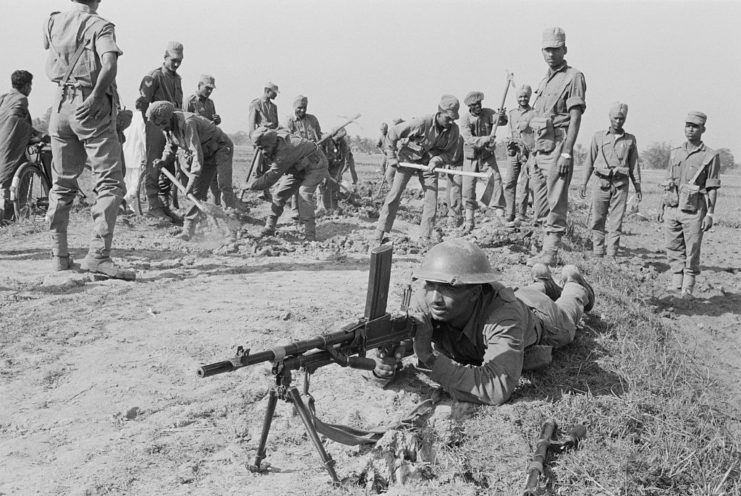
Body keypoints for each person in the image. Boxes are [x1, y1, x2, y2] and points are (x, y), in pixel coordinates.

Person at [373, 239, 594, 406]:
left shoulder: (504, 317)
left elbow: (497, 387)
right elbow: (414, 335)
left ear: (474, 292)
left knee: (566, 324)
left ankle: (574, 286)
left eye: (448, 288)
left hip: (541, 317)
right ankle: (544, 283)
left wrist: (429, 358)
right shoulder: (429, 297)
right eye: (431, 285)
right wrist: (389, 359)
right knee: (525, 294)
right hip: (517, 297)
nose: (434, 298)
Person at [43, 0, 134, 280]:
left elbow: (50, 52)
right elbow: (109, 64)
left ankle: (60, 256)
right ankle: (98, 256)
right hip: (89, 104)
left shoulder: (52, 21)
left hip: (59, 104)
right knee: (108, 182)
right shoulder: (100, 25)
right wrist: (96, 96)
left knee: (61, 183)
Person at [526, 27, 587, 266]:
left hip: (558, 146)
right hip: (539, 148)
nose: (551, 54)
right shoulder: (544, 80)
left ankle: (550, 252)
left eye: (556, 49)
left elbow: (575, 117)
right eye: (547, 49)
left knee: (556, 200)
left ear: (565, 49)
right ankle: (541, 247)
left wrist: (566, 152)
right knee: (539, 200)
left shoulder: (574, 77)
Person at [374, 96, 461, 246]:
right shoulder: (422, 122)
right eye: (448, 118)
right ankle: (379, 234)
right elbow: (393, 134)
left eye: (453, 118)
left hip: (429, 164)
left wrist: (437, 160)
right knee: (394, 195)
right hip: (407, 160)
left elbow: (449, 153)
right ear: (439, 113)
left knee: (431, 199)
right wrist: (391, 156)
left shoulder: (453, 130)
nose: (450, 122)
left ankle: (424, 238)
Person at [146, 101, 235, 242]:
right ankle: (188, 230)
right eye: (158, 125)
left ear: (168, 117)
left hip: (220, 148)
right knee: (196, 193)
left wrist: (193, 179)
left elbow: (195, 152)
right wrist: (163, 160)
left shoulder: (188, 123)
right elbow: (171, 145)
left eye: (162, 124)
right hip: (205, 154)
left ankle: (233, 227)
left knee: (223, 186)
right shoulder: (167, 126)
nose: (161, 127)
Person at [657, 111, 721, 297]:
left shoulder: (710, 156)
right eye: (687, 125)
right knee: (673, 246)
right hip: (673, 207)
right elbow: (668, 180)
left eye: (694, 126)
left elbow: (712, 187)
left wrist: (710, 214)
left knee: (692, 248)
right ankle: (676, 282)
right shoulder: (675, 153)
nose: (690, 129)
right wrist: (661, 206)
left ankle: (688, 286)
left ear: (703, 129)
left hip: (694, 210)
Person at [579, 102, 641, 259]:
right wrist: (583, 183)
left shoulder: (630, 140)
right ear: (610, 118)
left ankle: (612, 254)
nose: (618, 121)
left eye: (622, 118)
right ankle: (598, 251)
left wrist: (638, 187)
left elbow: (634, 165)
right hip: (601, 183)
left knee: (616, 222)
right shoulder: (598, 137)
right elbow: (589, 161)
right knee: (598, 219)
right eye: (616, 118)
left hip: (620, 185)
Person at [246, 126, 328, 241]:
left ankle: (310, 235)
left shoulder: (284, 152)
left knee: (304, 195)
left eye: (266, 147)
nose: (263, 152)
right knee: (279, 194)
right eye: (260, 148)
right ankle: (269, 227)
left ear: (273, 143)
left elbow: (271, 177)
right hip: (297, 166)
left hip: (315, 166)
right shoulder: (275, 138)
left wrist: (251, 186)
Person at [136, 41, 185, 223]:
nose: (176, 64)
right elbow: (142, 103)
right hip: (156, 126)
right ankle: (153, 205)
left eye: (179, 60)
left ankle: (165, 204)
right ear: (165, 57)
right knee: (154, 163)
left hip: (172, 127)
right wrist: (149, 124)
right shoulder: (153, 76)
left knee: (169, 164)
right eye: (173, 60)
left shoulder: (177, 79)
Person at [459, 91, 508, 233]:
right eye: (474, 105)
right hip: (471, 157)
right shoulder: (465, 120)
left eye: (479, 104)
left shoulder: (488, 113)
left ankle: (500, 215)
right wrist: (487, 139)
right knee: (468, 188)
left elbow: (501, 122)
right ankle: (469, 221)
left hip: (487, 156)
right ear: (470, 107)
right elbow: (469, 140)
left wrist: (502, 116)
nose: (478, 107)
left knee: (496, 180)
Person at [185, 75, 236, 210]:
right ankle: (198, 207)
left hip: (212, 144)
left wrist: (217, 119)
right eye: (207, 88)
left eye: (211, 89)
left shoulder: (210, 103)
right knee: (199, 180)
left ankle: (218, 206)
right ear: (199, 86)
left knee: (217, 180)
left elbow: (212, 124)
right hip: (198, 145)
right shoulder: (190, 101)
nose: (209, 91)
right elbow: (186, 124)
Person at [0, 70, 42, 223]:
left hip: (4, 143)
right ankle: (12, 215)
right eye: (30, 85)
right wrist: (36, 136)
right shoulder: (21, 99)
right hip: (10, 145)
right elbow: (14, 121)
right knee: (12, 177)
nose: (31, 89)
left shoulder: (5, 98)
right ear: (25, 86)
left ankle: (11, 215)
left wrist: (32, 131)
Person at [284, 94, 321, 218]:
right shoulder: (289, 121)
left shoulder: (312, 119)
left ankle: (305, 211)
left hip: (311, 157)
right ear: (294, 107)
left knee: (306, 186)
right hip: (296, 158)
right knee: (295, 183)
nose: (302, 110)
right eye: (299, 107)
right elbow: (286, 141)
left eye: (304, 107)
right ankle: (295, 209)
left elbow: (318, 136)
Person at [505, 84, 536, 227]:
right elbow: (509, 129)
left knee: (524, 185)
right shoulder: (511, 113)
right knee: (510, 183)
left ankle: (522, 214)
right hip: (513, 152)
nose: (523, 99)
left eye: (525, 97)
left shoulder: (534, 113)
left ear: (529, 97)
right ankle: (509, 214)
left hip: (527, 154)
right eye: (520, 97)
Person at [247, 82, 280, 201]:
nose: (276, 95)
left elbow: (276, 124)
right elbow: (251, 125)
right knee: (257, 167)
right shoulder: (256, 104)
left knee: (267, 167)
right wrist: (254, 139)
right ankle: (258, 190)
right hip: (259, 140)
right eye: (274, 93)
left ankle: (266, 191)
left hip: (270, 142)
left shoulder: (274, 107)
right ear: (267, 91)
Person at [319, 128, 355, 215]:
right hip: (325, 165)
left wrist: (339, 174)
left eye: (341, 139)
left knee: (335, 187)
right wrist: (324, 170)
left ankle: (334, 208)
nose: (339, 141)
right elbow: (319, 155)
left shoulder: (343, 144)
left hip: (335, 166)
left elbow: (342, 161)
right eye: (337, 139)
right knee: (324, 186)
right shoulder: (326, 141)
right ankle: (323, 208)